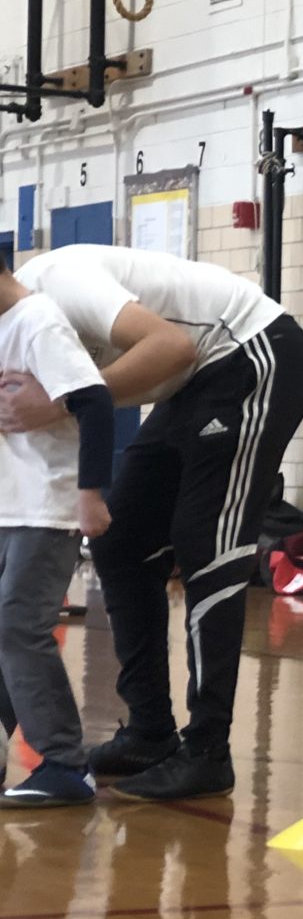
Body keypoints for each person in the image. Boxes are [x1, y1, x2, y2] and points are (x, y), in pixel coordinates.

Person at [0, 244, 303, 802]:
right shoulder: (16, 326)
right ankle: (150, 733)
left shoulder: (60, 285)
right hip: (192, 382)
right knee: (120, 545)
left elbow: (174, 346)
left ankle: (207, 751)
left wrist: (60, 405)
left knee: (207, 546)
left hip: (254, 352)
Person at [0, 253, 116, 807]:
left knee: (18, 627)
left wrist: (91, 495)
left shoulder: (39, 320)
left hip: (46, 508)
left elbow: (94, 402)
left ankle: (66, 765)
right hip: (8, 506)